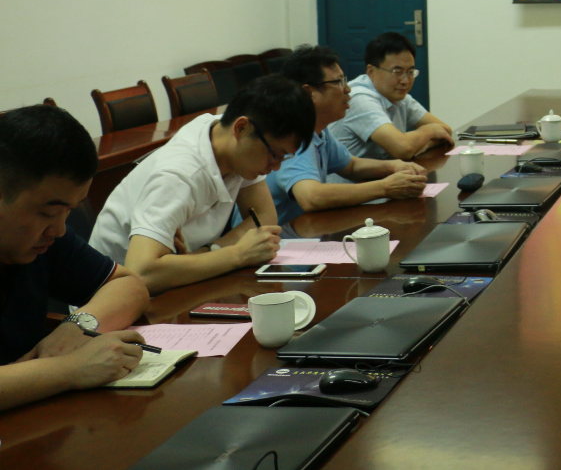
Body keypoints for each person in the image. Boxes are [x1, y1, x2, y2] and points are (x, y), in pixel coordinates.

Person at [91, 75, 314, 295]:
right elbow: (141, 273)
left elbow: (264, 216)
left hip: (172, 282)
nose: (276, 167)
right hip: (109, 297)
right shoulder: (178, 175)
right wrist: (238, 255)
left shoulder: (229, 140)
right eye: (275, 155)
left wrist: (210, 252)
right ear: (241, 128)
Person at [0, 105, 150, 409]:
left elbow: (128, 286)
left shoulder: (43, 240)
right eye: (49, 213)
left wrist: (77, 325)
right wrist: (71, 369)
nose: (59, 230)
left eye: (70, 210)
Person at [270, 45, 430, 223]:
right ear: (309, 92)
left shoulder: (318, 130)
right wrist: (386, 187)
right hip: (285, 236)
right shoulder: (292, 136)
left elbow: (352, 166)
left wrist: (395, 166)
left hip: (310, 229)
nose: (347, 89)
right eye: (338, 82)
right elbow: (311, 197)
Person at [330, 32, 453, 160]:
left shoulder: (398, 96)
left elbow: (445, 131)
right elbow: (403, 148)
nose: (405, 81)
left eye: (410, 72)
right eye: (397, 72)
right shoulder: (359, 99)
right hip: (352, 173)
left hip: (383, 170)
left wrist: (418, 145)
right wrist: (429, 131)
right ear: (371, 71)